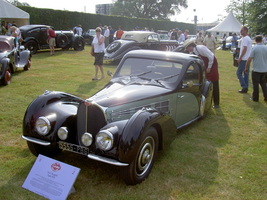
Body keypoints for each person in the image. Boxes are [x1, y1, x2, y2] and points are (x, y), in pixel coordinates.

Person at [183, 39, 220, 108]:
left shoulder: (200, 48)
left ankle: (216, 103)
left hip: (212, 64)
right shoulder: (193, 52)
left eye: (187, 48)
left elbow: (211, 57)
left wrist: (209, 67)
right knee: (206, 82)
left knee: (214, 82)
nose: (187, 49)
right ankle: (208, 100)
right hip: (206, 65)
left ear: (191, 46)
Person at [245, 35, 267, 102]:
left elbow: (249, 59)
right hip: (264, 69)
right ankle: (266, 96)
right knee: (263, 84)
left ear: (255, 40)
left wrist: (246, 67)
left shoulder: (254, 48)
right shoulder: (266, 47)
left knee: (255, 84)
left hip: (256, 69)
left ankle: (255, 98)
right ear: (262, 40)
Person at [236, 26, 252, 93]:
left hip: (244, 59)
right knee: (246, 74)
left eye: (242, 30)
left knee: (238, 73)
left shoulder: (245, 38)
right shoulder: (248, 38)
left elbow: (244, 49)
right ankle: (245, 87)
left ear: (245, 31)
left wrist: (240, 57)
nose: (240, 32)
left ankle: (244, 86)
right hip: (247, 58)